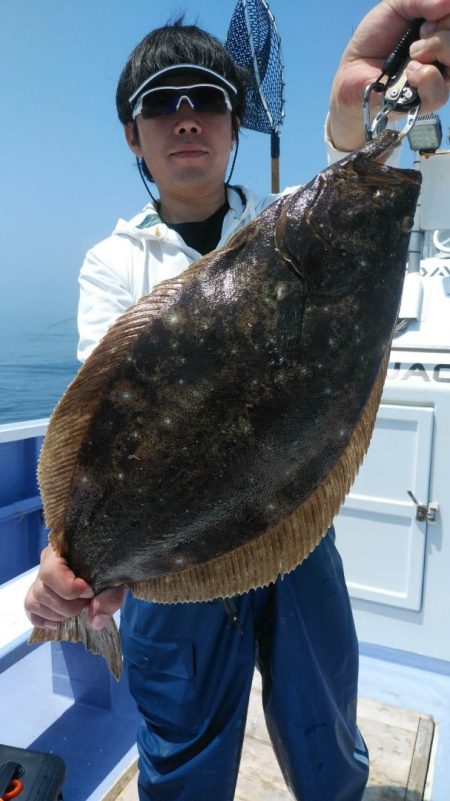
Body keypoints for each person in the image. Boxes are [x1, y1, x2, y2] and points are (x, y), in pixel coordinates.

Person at [25, 2, 450, 799]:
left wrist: (354, 126)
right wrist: (73, 559)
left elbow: (348, 175)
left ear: (234, 122)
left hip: (293, 527)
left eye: (207, 100)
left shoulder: (278, 218)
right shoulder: (110, 263)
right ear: (132, 134)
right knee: (184, 755)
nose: (186, 120)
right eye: (161, 103)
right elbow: (110, 416)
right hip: (175, 546)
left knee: (324, 724)